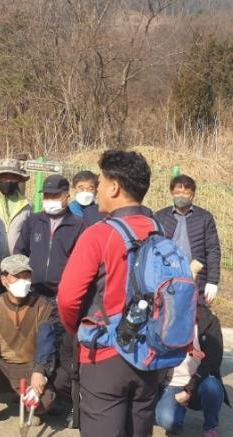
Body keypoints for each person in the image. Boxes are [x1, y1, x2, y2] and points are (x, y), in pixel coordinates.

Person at [57, 149, 159, 436]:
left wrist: (78, 329)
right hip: (150, 354)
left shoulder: (98, 234)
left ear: (114, 187)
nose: (97, 190)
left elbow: (68, 298)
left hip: (105, 354)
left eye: (100, 183)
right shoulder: (159, 229)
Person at [0, 255, 57, 429]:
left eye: (26, 276)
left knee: (46, 400)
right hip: (1, 365)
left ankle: (32, 409)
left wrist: (40, 370)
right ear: (4, 280)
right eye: (16, 276)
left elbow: (47, 342)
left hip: (29, 366)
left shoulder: (42, 305)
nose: (22, 281)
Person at [155, 303, 230, 437]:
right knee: (167, 420)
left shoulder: (209, 321)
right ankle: (176, 417)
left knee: (212, 388)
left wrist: (189, 389)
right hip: (172, 382)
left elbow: (212, 361)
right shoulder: (164, 318)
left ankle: (210, 426)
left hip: (199, 381)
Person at [14, 174, 84, 298]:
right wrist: (21, 279)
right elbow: (20, 251)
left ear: (67, 196)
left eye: (55, 196)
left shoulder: (78, 226)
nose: (50, 199)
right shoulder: (33, 221)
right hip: (32, 290)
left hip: (61, 293)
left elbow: (81, 263)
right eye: (47, 196)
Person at [154, 175, 221, 304]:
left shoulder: (204, 218)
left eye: (186, 193)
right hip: (166, 279)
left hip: (196, 280)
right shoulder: (160, 217)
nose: (181, 196)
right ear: (172, 192)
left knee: (194, 313)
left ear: (192, 194)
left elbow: (212, 250)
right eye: (178, 192)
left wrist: (212, 281)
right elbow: (154, 249)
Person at [0, 158, 32, 260]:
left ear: (19, 179)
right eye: (4, 177)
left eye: (13, 177)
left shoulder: (27, 205)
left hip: (15, 263)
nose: (8, 181)